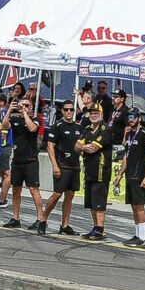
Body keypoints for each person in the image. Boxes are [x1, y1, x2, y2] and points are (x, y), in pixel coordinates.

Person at [39, 100, 82, 236]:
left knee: (70, 195)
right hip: (62, 165)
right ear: (62, 111)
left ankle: (65, 225)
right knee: (57, 194)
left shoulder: (78, 127)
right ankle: (43, 219)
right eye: (66, 110)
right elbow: (50, 146)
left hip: (74, 166)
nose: (69, 112)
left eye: (71, 110)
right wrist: (55, 165)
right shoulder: (57, 126)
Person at [2, 96, 44, 230]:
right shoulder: (15, 119)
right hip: (17, 159)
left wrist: (25, 113)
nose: (24, 107)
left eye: (27, 105)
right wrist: (9, 110)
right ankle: (15, 218)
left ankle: (40, 218)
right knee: (16, 190)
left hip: (31, 160)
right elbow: (4, 125)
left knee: (33, 189)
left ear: (31, 107)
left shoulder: (36, 119)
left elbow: (32, 129)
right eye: (22, 105)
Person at [119, 110, 145, 248]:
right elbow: (126, 155)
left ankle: (143, 236)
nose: (131, 120)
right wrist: (120, 174)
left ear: (139, 118)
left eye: (133, 117)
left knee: (139, 205)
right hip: (130, 174)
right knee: (133, 205)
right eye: (129, 117)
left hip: (139, 174)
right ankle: (137, 234)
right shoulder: (128, 134)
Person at [76, 103, 111, 240]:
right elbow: (76, 146)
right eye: (91, 113)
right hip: (89, 170)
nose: (93, 115)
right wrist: (84, 146)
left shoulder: (105, 129)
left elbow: (93, 149)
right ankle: (95, 227)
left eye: (96, 113)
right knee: (91, 202)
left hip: (101, 171)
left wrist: (83, 147)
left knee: (99, 201)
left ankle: (100, 229)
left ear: (101, 115)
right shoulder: (87, 129)